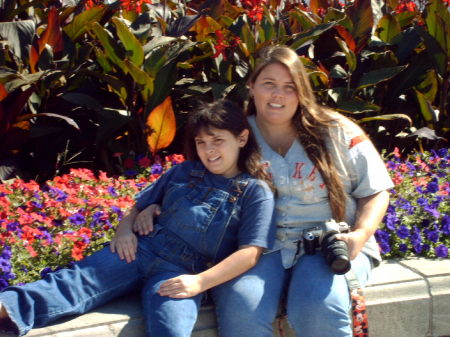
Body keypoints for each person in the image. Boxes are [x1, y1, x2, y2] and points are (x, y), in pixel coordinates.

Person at [138, 45, 393, 337]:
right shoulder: (235, 134)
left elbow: (376, 191)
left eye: (289, 87)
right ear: (252, 86)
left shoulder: (337, 130)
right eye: (269, 84)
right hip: (258, 249)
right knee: (242, 309)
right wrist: (152, 206)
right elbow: (192, 180)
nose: (278, 96)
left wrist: (359, 235)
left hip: (328, 243)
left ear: (302, 92)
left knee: (319, 307)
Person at [0, 99, 275, 337]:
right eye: (201, 142)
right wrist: (124, 231)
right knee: (69, 284)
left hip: (182, 274)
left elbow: (250, 252)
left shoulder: (255, 192)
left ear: (241, 138)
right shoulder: (184, 171)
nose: (209, 150)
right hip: (138, 251)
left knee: (172, 325)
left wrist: (200, 282)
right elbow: (137, 205)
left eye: (218, 140)